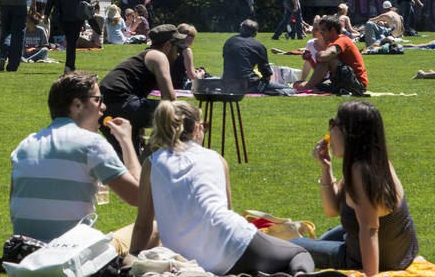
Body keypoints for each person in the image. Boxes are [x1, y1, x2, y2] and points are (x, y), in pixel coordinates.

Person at [128, 101, 315, 276]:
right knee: (299, 253)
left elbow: (143, 227)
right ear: (195, 130)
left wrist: (132, 259)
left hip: (189, 262)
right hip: (237, 245)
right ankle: (299, 273)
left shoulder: (152, 164)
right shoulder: (216, 158)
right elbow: (226, 211)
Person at [10, 72, 143, 249]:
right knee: (156, 229)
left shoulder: (25, 145)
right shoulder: (92, 144)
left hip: (25, 250)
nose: (103, 107)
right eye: (98, 100)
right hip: (71, 252)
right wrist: (126, 141)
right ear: (77, 104)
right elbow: (138, 196)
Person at [292, 101, 418, 275]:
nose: (329, 131)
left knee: (291, 247)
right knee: (325, 239)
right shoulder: (373, 161)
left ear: (349, 131)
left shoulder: (361, 172)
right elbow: (333, 209)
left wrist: (370, 275)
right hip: (402, 253)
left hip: (377, 258)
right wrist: (326, 168)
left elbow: (370, 229)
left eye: (333, 124)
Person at [99, 24, 186, 158]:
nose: (178, 53)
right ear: (168, 45)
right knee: (176, 112)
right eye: (177, 47)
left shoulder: (143, 57)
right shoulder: (158, 56)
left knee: (128, 159)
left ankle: (139, 164)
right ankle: (148, 160)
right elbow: (169, 98)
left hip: (103, 109)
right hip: (122, 103)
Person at [294, 16, 368, 95]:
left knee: (329, 59)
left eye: (323, 30)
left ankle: (305, 88)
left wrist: (318, 54)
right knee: (298, 84)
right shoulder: (330, 44)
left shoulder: (342, 40)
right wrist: (311, 60)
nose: (321, 32)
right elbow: (320, 72)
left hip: (357, 84)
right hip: (342, 80)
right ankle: (308, 87)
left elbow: (324, 57)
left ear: (332, 30)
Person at [224, 20, 294, 95]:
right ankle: (272, 93)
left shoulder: (229, 42)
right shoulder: (258, 46)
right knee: (291, 90)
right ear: (256, 33)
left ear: (241, 30)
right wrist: (262, 85)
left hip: (228, 83)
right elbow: (266, 75)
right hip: (248, 84)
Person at [169, 23, 205, 89]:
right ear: (185, 36)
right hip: (180, 85)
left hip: (167, 84)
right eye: (192, 35)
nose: (194, 37)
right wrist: (201, 75)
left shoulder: (169, 47)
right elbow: (193, 77)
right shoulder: (186, 50)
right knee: (212, 79)